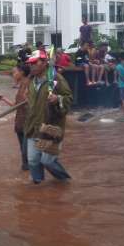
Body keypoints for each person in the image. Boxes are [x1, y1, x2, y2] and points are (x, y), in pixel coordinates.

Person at [24, 50, 73, 184]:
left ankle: (64, 180)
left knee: (47, 161)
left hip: (50, 128)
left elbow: (69, 98)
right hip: (33, 127)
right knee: (33, 161)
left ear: (45, 63)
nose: (32, 66)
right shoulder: (31, 81)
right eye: (30, 63)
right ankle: (38, 185)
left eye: (35, 63)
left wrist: (58, 99)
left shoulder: (55, 79)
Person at [1, 64, 31, 171]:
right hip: (20, 123)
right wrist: (3, 99)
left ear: (21, 73)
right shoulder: (22, 85)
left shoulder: (28, 85)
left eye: (14, 72)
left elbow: (31, 104)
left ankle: (31, 177)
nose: (13, 75)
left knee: (26, 151)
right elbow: (16, 105)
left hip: (28, 123)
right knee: (24, 153)